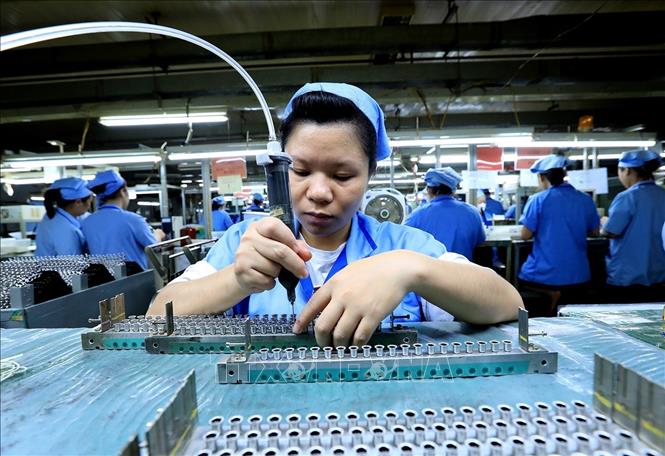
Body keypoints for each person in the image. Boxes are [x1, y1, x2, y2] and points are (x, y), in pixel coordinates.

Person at [147, 82, 521, 347]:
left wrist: (409, 270)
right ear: (281, 168)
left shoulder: (405, 245)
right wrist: (237, 280)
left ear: (370, 174)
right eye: (301, 171)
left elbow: (509, 304)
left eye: (342, 175)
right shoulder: (246, 241)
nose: (320, 192)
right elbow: (155, 315)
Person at [518, 154, 600, 311]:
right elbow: (595, 232)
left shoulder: (538, 199)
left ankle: (551, 293)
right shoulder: (585, 199)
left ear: (542, 178)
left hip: (546, 273)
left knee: (520, 277)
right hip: (579, 273)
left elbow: (525, 235)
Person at [601, 149, 665, 301]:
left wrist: (604, 224)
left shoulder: (627, 197)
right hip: (659, 275)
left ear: (627, 170)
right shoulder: (662, 194)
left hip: (628, 277)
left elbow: (612, 231)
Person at [82, 170, 164, 269]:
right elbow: (155, 248)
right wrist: (158, 235)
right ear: (123, 191)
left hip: (103, 281)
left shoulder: (87, 222)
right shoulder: (133, 219)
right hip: (135, 281)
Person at [405, 167, 485, 260]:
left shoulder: (418, 215)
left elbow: (404, 241)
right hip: (463, 271)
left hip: (430, 272)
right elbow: (480, 240)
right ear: (453, 190)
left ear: (429, 190)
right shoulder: (472, 212)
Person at [35, 177, 93, 256]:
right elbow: (73, 264)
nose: (89, 207)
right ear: (78, 202)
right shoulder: (65, 229)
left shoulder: (54, 216)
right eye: (90, 201)